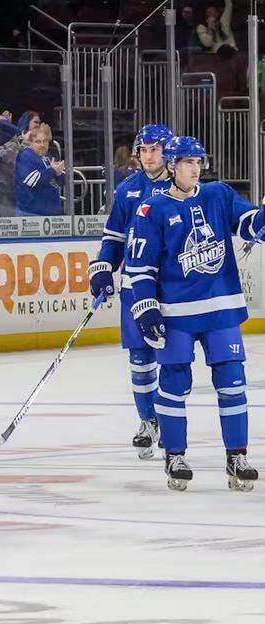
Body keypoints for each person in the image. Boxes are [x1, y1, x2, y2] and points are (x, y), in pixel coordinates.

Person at [124, 135, 263, 492]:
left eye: (198, 162)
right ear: (172, 166)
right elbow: (140, 268)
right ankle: (175, 455)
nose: (195, 168)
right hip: (176, 315)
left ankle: (237, 456)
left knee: (232, 381)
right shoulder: (151, 210)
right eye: (188, 162)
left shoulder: (219, 195)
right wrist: (145, 307)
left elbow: (250, 225)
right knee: (174, 383)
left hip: (221, 310)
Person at [88, 124, 174, 460]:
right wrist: (102, 268)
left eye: (156, 149)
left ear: (167, 153)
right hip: (136, 288)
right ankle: (148, 420)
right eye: (144, 149)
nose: (149, 156)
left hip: (172, 290)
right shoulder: (128, 190)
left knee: (171, 359)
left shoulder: (180, 186)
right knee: (140, 358)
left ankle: (170, 421)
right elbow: (114, 240)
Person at [15, 123, 65, 216]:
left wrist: (59, 174)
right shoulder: (25, 156)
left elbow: (62, 183)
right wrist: (53, 171)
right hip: (31, 214)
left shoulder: (49, 157)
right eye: (38, 141)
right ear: (31, 142)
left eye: (45, 141)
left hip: (52, 213)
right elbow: (32, 180)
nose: (42, 145)